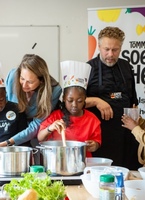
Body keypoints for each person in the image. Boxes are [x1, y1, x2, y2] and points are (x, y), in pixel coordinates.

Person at [85, 26, 142, 169]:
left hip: (125, 134)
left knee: (127, 172)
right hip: (100, 135)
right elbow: (73, 104)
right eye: (106, 49)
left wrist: (135, 115)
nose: (110, 54)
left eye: (115, 50)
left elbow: (132, 100)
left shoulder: (126, 66)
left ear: (121, 48)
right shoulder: (87, 69)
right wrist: (97, 101)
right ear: (99, 47)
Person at [0, 54, 62, 151]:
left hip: (32, 135)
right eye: (22, 79)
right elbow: (6, 106)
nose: (24, 85)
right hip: (9, 127)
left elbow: (36, 126)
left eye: (30, 82)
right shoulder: (13, 76)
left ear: (41, 80)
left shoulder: (54, 91)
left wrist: (8, 142)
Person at [37, 61, 101, 157]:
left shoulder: (92, 120)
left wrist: (94, 145)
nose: (74, 105)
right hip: (58, 160)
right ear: (63, 99)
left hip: (83, 161)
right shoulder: (56, 116)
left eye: (79, 101)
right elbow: (40, 137)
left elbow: (96, 143)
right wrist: (50, 128)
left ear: (84, 100)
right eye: (70, 100)